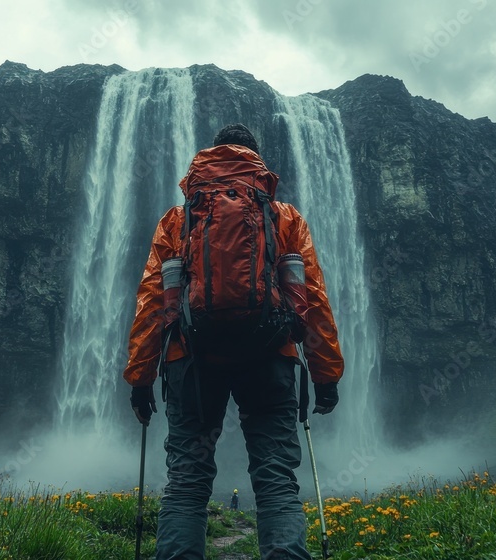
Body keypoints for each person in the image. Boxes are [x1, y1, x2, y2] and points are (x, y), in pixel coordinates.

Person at [123, 123, 344, 560]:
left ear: (211, 158)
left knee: (186, 482)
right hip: (270, 354)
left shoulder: (176, 219)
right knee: (276, 478)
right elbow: (313, 296)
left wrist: (140, 379)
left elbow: (152, 301)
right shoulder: (284, 217)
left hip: (191, 357)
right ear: (257, 163)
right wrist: (326, 375)